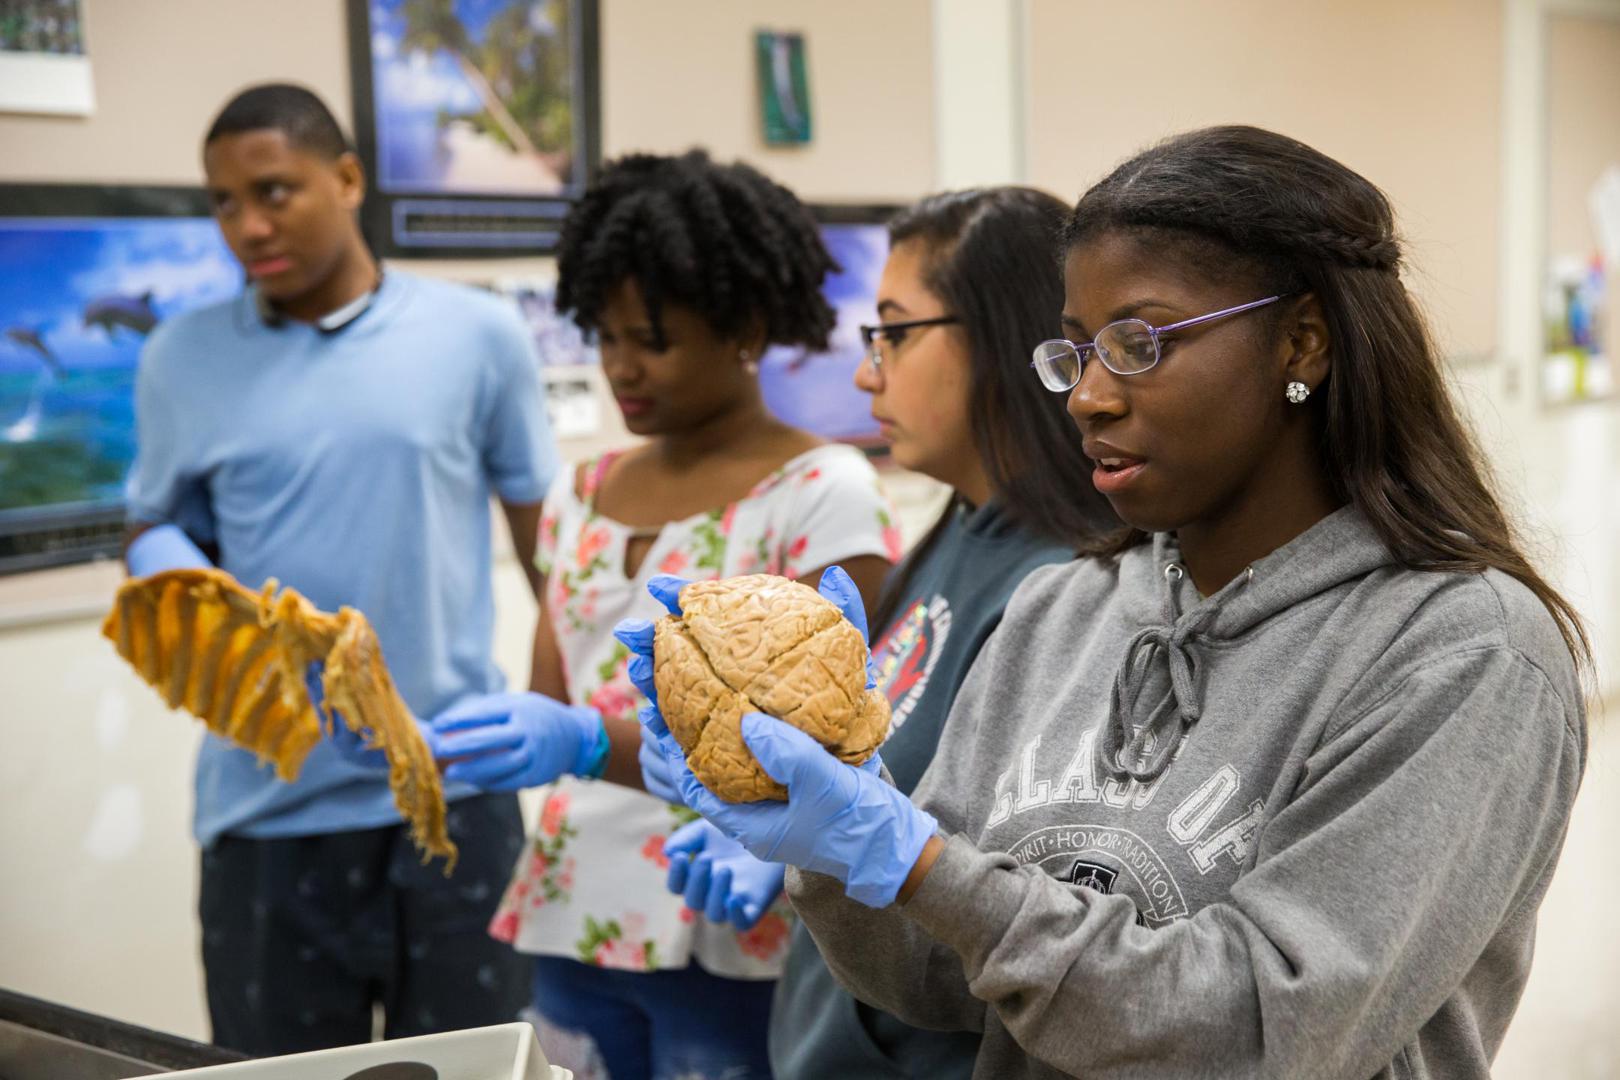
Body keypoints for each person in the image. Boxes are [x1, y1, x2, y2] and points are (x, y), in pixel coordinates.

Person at [629, 126, 1589, 1078]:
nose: (1086, 397)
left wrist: (923, 865)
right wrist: (841, 841)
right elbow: (935, 980)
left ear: (1301, 342)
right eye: (1076, 352)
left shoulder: (1462, 652)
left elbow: (1268, 1029)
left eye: (1138, 344)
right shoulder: (1060, 613)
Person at [423, 149, 899, 1080]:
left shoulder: (821, 491)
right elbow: (550, 696)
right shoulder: (579, 491)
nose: (621, 369)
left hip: (728, 917)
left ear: (745, 326)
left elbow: (809, 745)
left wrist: (586, 740)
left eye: (652, 338)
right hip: (573, 907)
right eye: (603, 338)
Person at [122, 83, 556, 1055]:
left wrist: (569, 732)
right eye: (225, 203)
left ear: (349, 178)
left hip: (451, 793)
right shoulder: (178, 360)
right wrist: (161, 556)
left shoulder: (475, 337)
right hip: (265, 812)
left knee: (478, 1073)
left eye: (274, 191)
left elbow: (547, 555)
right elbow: (154, 529)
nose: (248, 225)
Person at [655, 187, 1117, 1079]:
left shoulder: (1061, 585)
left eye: (893, 334)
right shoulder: (958, 532)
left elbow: (1015, 902)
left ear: (1002, 335)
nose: (869, 374)